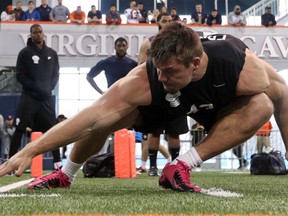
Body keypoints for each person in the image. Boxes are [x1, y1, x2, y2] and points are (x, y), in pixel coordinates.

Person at [1, 22, 288, 193]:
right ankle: (66, 174)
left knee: (261, 105)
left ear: (195, 63)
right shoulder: (146, 78)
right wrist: (30, 150)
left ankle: (180, 166)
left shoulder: (243, 68)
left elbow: (283, 98)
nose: (162, 78)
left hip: (212, 105)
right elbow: (90, 118)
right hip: (156, 108)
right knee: (106, 117)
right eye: (158, 69)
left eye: (171, 72)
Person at [138, 13, 189, 176]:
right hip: (155, 93)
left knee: (174, 132)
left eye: (169, 21)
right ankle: (152, 167)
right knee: (154, 131)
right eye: (164, 21)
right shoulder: (148, 42)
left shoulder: (179, 43)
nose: (167, 24)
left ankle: (175, 165)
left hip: (176, 92)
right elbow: (140, 67)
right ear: (158, 24)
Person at [8, 24, 62, 172]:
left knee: (53, 131)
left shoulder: (52, 53)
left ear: (43, 34)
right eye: (35, 32)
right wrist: (36, 88)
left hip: (46, 99)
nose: (38, 34)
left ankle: (58, 165)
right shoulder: (24, 53)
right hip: (29, 97)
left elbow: (56, 74)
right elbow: (20, 75)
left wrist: (48, 88)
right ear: (31, 35)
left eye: (40, 32)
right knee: (19, 129)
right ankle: (10, 164)